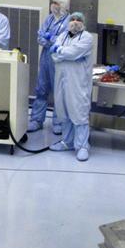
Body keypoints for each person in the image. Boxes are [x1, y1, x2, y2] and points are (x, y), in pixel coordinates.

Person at [50, 11, 95, 161]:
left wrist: (61, 52)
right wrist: (67, 54)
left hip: (78, 81)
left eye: (78, 19)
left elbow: (74, 51)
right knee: (63, 109)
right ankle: (67, 142)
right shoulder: (62, 36)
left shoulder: (87, 37)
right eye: (73, 19)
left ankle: (82, 146)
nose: (75, 22)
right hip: (61, 78)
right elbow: (55, 56)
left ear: (83, 23)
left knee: (78, 111)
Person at [29, 0, 72, 135]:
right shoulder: (49, 19)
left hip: (59, 59)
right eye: (53, 2)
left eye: (57, 3)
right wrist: (49, 39)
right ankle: (36, 119)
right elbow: (40, 36)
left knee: (58, 91)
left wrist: (50, 39)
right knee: (41, 88)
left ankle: (58, 122)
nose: (53, 5)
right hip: (46, 57)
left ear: (64, 5)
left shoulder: (69, 21)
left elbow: (63, 40)